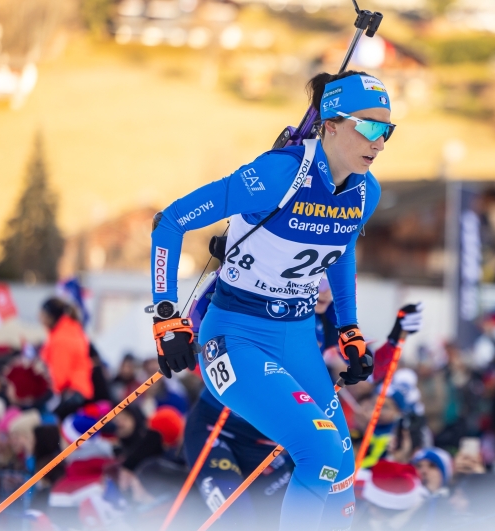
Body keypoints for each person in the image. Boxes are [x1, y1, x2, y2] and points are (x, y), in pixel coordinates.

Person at [151, 69, 394, 531]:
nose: (379, 142)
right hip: (236, 336)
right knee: (319, 452)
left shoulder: (366, 191)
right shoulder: (279, 172)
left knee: (341, 466)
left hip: (298, 338)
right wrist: (166, 316)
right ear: (332, 123)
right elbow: (171, 222)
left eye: (386, 130)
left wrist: (349, 328)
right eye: (368, 126)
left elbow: (340, 251)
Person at [181, 303, 423, 529]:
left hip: (268, 444)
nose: (326, 293)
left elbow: (368, 371)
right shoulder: (265, 299)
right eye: (321, 284)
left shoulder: (326, 320)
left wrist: (394, 338)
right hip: (217, 429)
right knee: (239, 520)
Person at [39, 298, 94, 417]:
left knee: (45, 418)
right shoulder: (72, 330)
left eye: (42, 314)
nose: (39, 319)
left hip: (71, 393)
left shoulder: (61, 338)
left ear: (50, 316)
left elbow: (60, 377)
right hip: (80, 391)